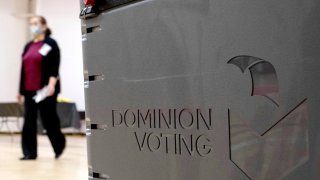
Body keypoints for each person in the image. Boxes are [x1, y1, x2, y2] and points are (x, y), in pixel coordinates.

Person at [17, 15, 66, 160]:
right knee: (29, 122)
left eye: (35, 23)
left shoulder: (51, 43)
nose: (32, 26)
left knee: (49, 121)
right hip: (29, 90)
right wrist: (20, 92)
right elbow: (23, 70)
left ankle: (59, 146)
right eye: (31, 24)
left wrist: (51, 85)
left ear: (44, 26)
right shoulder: (28, 45)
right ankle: (29, 153)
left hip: (45, 90)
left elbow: (54, 67)